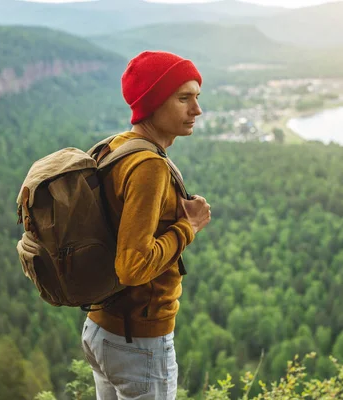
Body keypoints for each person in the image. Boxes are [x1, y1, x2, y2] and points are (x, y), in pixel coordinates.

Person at [81, 51, 211, 400]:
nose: (196, 110)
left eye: (197, 97)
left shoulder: (116, 146)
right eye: (184, 98)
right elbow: (132, 265)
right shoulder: (148, 166)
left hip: (101, 327)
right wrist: (189, 226)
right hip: (137, 341)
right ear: (153, 102)